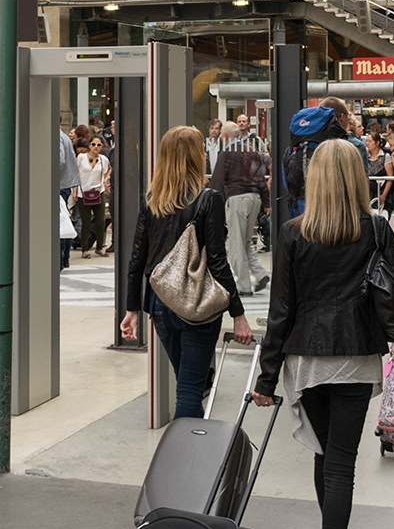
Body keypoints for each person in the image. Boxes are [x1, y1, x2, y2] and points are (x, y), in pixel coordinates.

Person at [252, 139, 394, 529]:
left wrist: (266, 380)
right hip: (357, 356)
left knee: (324, 458)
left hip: (306, 359)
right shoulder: (376, 230)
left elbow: (280, 312)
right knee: (341, 465)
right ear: (357, 179)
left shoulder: (291, 233)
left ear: (314, 179)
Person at [121, 126, 252, 419]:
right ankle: (187, 457)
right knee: (190, 392)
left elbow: (137, 259)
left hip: (160, 304)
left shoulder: (152, 200)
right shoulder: (209, 199)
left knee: (188, 383)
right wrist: (238, 314)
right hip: (196, 306)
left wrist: (132, 309)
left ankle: (192, 443)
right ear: (197, 156)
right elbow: (217, 261)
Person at [208, 122, 271, 296]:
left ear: (226, 136)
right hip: (255, 199)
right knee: (245, 242)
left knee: (235, 245)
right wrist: (266, 202)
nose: (220, 137)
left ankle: (243, 286)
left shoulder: (226, 153)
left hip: (237, 199)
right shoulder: (253, 152)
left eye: (221, 134)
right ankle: (260, 274)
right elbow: (261, 179)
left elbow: (217, 180)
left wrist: (208, 200)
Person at [75, 135, 112, 258]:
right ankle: (85, 249)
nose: (96, 147)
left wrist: (105, 180)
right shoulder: (81, 158)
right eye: (94, 144)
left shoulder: (103, 159)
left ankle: (100, 247)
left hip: (98, 192)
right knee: (85, 222)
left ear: (102, 147)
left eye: (99, 145)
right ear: (89, 145)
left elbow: (109, 169)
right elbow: (75, 174)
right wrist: (74, 191)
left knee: (101, 221)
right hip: (83, 192)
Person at [56, 126, 80, 269]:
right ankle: (65, 257)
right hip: (65, 183)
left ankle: (63, 257)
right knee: (63, 219)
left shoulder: (57, 137)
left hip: (60, 183)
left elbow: (59, 159)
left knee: (61, 221)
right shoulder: (64, 136)